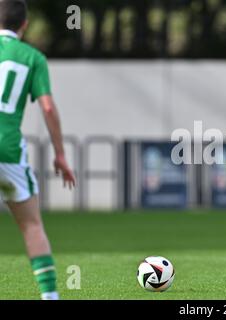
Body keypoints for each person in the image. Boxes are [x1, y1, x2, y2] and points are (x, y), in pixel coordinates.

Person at [0, 0, 75, 300]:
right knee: (31, 225)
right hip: (8, 153)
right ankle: (50, 297)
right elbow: (47, 106)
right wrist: (60, 154)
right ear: (24, 25)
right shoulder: (33, 58)